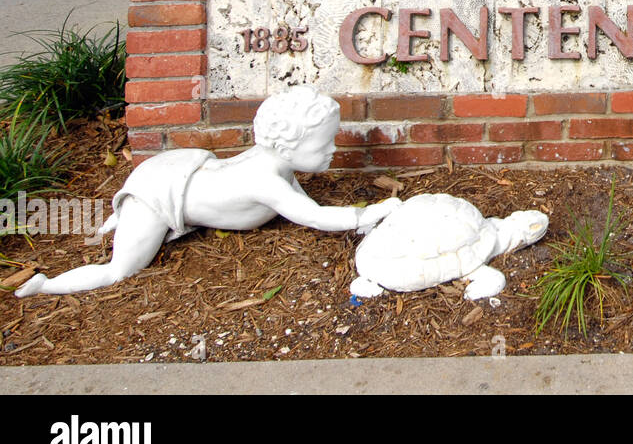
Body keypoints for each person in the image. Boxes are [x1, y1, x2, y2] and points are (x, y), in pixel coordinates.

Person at [14, 87, 400, 297]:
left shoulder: (274, 164)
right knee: (120, 271)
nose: (333, 149)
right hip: (158, 195)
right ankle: (45, 285)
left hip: (182, 173)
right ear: (286, 147)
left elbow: (305, 203)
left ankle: (124, 217)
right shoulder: (264, 181)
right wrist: (367, 213)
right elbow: (314, 216)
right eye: (324, 144)